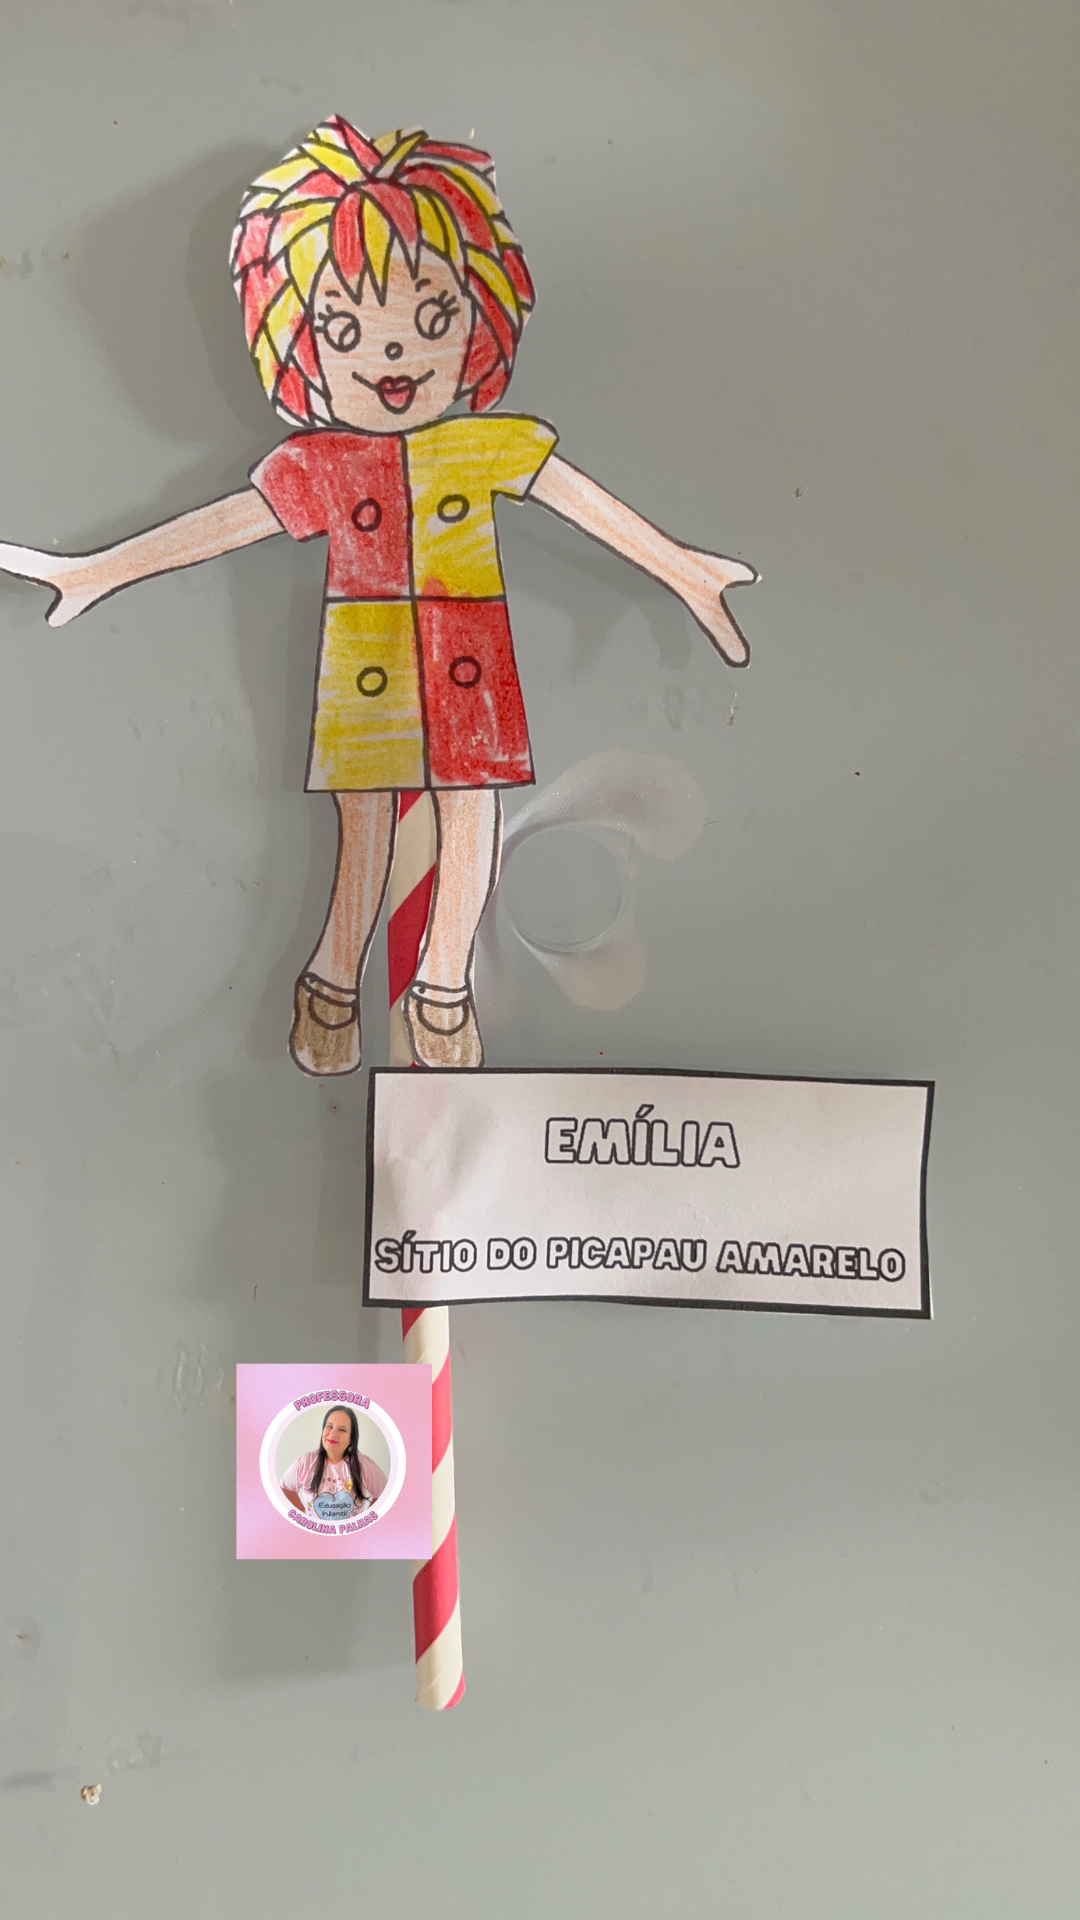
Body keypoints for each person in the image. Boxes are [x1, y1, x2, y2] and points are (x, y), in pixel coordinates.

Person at [0, 115, 756, 1075]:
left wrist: (682, 567)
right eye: (348, 330)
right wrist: (100, 569)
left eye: (431, 320)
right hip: (366, 667)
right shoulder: (324, 464)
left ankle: (445, 986)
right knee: (362, 828)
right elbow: (226, 523)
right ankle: (331, 981)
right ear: (299, 343)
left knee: (472, 816)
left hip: (469, 661)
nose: (393, 358)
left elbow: (583, 503)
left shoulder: (487, 445)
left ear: (479, 318)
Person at [279, 1403, 387, 1518]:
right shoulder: (305, 1462)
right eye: (329, 1426)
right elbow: (285, 1488)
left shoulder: (364, 1465)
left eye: (342, 1429)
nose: (333, 1433)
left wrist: (365, 1520)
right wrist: (301, 1510)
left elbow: (386, 1493)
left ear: (351, 1439)